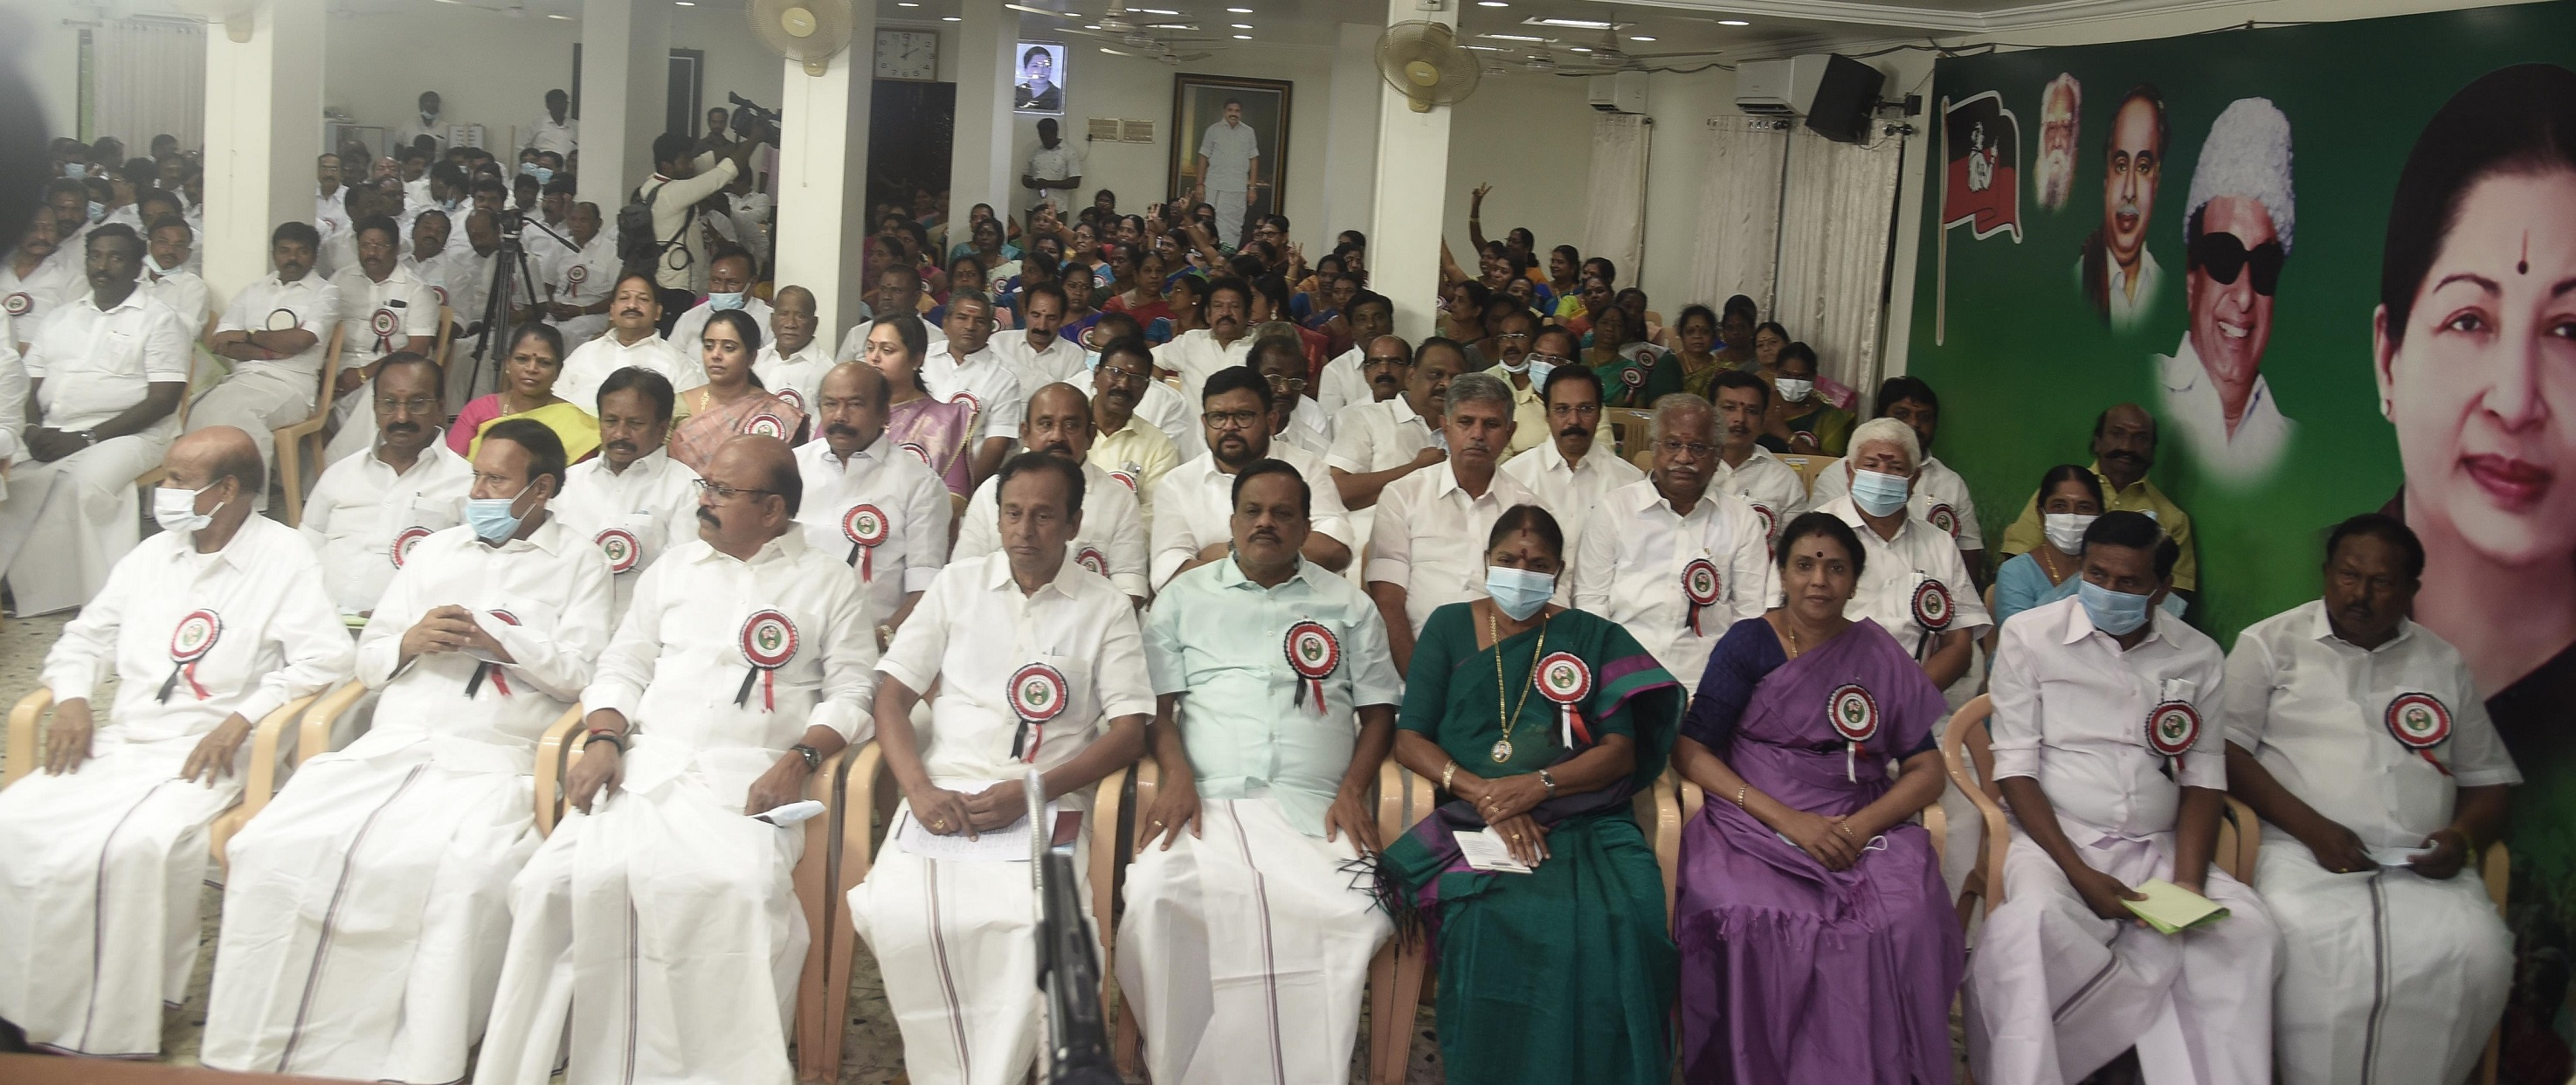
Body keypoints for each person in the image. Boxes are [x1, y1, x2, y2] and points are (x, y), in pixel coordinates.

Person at [200, 418, 611, 1081]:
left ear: (540, 489)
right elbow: (365, 662)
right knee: (270, 846)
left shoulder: (580, 561)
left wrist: (506, 642)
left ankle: (414, 1057)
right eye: (475, 475)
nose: (476, 490)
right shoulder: (436, 551)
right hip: (393, 745)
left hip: (493, 758)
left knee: (461, 876)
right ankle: (260, 1045)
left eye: (495, 480)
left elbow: (584, 674)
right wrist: (409, 641)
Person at [473, 436, 874, 1085]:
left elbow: (854, 689)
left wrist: (799, 758)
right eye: (704, 487)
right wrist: (603, 738)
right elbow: (623, 664)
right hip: (648, 768)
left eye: (721, 491)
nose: (704, 502)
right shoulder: (675, 568)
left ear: (772, 510)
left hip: (751, 782)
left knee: (738, 894)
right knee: (551, 885)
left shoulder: (826, 582)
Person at [0, 426, 353, 1058]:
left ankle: (104, 1025)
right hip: (125, 740)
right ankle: (19, 1006)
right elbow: (85, 637)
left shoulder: (284, 555)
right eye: (165, 476)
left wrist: (244, 716)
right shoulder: (150, 555)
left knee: (131, 846)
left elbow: (326, 655)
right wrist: (75, 696)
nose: (162, 492)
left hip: (210, 754)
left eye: (177, 481)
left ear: (228, 491)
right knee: (14, 822)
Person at [847, 453, 1155, 1085]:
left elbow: (1129, 732)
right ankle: (948, 1065)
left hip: (1049, 801)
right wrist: (919, 788)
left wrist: (1034, 790)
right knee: (897, 912)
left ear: (1073, 524)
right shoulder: (956, 587)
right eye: (1012, 513)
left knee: (1029, 927)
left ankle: (988, 1072)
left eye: (1044, 516)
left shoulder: (1105, 606)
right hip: (945, 793)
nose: (1024, 530)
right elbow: (891, 697)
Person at [1967, 510, 2279, 1085]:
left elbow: (2203, 779)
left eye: (2127, 582)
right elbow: (2013, 770)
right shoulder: (2029, 636)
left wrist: (2186, 884)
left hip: (2157, 846)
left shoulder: (2198, 655)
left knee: (2244, 931)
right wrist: (2078, 874)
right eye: (2095, 574)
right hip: (2056, 838)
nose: (2106, 590)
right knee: (2032, 924)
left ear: (2162, 588)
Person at [1380, 505, 1684, 1085]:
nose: (1521, 571)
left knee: (1621, 916)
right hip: (1475, 818)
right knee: (1488, 919)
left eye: (1536, 563)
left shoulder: (1589, 638)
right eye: (1508, 560)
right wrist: (1489, 797)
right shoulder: (1447, 626)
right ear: (1486, 562)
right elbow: (1409, 737)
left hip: (1584, 817)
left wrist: (1537, 786)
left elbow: (1618, 751)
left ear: (1558, 571)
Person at [1120, 459, 1399, 1081]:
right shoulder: (1183, 598)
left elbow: (1380, 712)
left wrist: (1353, 790)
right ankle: (1185, 1066)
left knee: (1358, 912)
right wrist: (1177, 777)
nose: (1265, 523)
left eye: (1282, 513)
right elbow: (1157, 710)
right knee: (1154, 895)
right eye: (1253, 511)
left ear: (1306, 528)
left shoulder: (1347, 604)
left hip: (1314, 807)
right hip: (1207, 802)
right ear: (1231, 521)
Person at [2220, 515, 2516, 1084]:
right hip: (2299, 854)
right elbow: (2225, 754)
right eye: (2347, 575)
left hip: (2419, 863)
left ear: (2410, 591)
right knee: (2313, 948)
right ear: (2325, 573)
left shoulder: (2441, 662)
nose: (2358, 594)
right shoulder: (2268, 644)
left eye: (2380, 582)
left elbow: (2489, 783)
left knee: (2476, 952)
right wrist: (2313, 831)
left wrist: (2460, 837)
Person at [1670, 512, 1961, 1082]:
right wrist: (1787, 822)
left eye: (1834, 568)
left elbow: (1925, 769)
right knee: (1737, 908)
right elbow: (1691, 751)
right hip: (1753, 817)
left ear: (1854, 580)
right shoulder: (1749, 642)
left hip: (1861, 820)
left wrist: (1860, 828)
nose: (1818, 581)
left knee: (1904, 914)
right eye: (1804, 565)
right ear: (1782, 572)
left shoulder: (1878, 655)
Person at [2372, 63, 2576, 751]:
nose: (2515, 403)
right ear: (2386, 358)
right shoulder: (2300, 634)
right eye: (2468, 320)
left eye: (2569, 331)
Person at [0, 224, 190, 615]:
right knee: (11, 484)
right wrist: (33, 430)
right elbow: (28, 387)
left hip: (135, 434)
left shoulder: (159, 319)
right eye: (96, 256)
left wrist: (85, 438)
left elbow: (163, 401)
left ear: (138, 264)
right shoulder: (61, 317)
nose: (103, 265)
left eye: (116, 257)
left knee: (84, 486)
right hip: (53, 429)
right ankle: (16, 577)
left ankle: (63, 593)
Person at [1574, 393, 1774, 689]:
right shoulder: (1615, 509)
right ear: (1654, 447)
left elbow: (1749, 615)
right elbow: (1591, 602)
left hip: (1707, 680)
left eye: (1697, 447)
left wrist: (1724, 688)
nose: (1684, 458)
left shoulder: (1741, 519)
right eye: (1672, 445)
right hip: (1623, 676)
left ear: (1717, 454)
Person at [2157, 97, 2297, 483]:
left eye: (2265, 266)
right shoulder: (2140, 401)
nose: (2245, 296)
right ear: (2191, 280)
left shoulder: (2290, 446)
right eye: (2224, 258)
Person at [1367, 371, 1541, 671]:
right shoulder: (1403, 495)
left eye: (1491, 424)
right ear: (1445, 426)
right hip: (1415, 661)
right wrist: (1420, 679)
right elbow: (1388, 601)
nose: (1477, 434)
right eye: (1465, 422)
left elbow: (1534, 605)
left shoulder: (1526, 508)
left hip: (1500, 669)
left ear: (1510, 432)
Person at [1815, 418, 1991, 696]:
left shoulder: (1939, 543)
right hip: (1825, 693)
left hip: (1915, 698)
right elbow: (1784, 623)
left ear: (1915, 479)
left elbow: (1958, 643)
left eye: (1896, 467)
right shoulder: (1813, 532)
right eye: (1871, 465)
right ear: (1849, 473)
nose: (1882, 475)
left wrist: (1906, 700)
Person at [793, 361, 953, 649]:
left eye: (855, 404)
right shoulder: (792, 467)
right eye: (830, 404)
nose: (840, 416)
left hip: (870, 647)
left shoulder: (920, 484)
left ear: (884, 412)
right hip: (786, 643)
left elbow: (926, 587)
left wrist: (883, 639)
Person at [1150, 365, 1352, 589]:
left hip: (1299, 608)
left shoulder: (1307, 468)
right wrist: (1275, 558)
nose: (1229, 427)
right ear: (1204, 423)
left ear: (1271, 421)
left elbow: (1333, 551)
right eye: (1218, 417)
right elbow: (1170, 576)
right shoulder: (1177, 484)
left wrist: (1228, 550)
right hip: (1214, 613)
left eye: (1243, 416)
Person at [300, 354, 472, 615]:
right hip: (322, 626)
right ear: (375, 407)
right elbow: (303, 553)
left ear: (440, 407)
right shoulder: (339, 474)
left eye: (417, 404)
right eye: (389, 403)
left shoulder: (466, 482)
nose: (401, 416)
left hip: (409, 635)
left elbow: (474, 571)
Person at [954, 384, 1150, 603]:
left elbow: (1129, 589)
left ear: (1091, 435)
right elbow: (963, 577)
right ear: (1025, 433)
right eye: (1045, 424)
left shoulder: (1119, 500)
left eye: (1071, 426)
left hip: (1086, 629)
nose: (1057, 436)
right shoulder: (991, 491)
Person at [197, 221, 341, 491]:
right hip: (243, 379)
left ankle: (248, 501)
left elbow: (302, 341)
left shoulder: (326, 293)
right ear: (274, 253)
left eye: (302, 251)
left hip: (292, 387)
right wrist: (274, 348)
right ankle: (207, 493)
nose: (293, 258)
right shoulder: (253, 290)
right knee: (200, 411)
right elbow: (223, 342)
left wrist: (248, 336)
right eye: (285, 251)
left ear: (314, 255)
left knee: (241, 414)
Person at [1999, 403, 2201, 596]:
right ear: (2098, 442)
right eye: (2117, 434)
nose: (2127, 446)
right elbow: (2016, 557)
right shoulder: (2059, 492)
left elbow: (2175, 596)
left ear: (2152, 450)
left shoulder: (2173, 519)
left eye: (2140, 438)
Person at [549, 366, 700, 624]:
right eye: (610, 421)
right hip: (561, 622)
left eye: (635, 424)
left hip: (639, 629)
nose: (620, 434)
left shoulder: (688, 489)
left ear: (663, 428)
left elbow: (681, 576)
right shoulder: (568, 482)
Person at [1810, 377, 1986, 575]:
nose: (1913, 424)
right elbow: (1814, 541)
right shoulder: (1839, 473)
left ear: (1915, 479)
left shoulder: (1951, 483)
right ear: (1880, 416)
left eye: (1924, 417)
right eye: (1902, 414)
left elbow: (1969, 555)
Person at [1991, 464, 2186, 629]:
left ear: (2101, 516)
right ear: (2042, 515)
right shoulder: (2016, 572)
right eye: (2059, 506)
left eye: (2084, 507)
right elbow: (2018, 638)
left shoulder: (2120, 570)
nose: (2072, 517)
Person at [322, 215, 443, 463]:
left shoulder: (415, 289)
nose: (372, 252)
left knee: (379, 396)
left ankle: (349, 472)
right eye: (366, 245)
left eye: (380, 246)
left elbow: (418, 349)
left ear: (396, 249)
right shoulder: (340, 280)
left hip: (390, 367)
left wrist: (363, 374)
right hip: (338, 364)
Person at [1503, 364, 1643, 556]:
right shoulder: (1514, 476)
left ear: (1600, 414)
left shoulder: (1630, 482)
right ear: (1547, 414)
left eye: (1585, 409)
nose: (1574, 420)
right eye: (1562, 409)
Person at [2076, 85, 2170, 333]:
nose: (2129, 190)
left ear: (2156, 183)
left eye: (2142, 167)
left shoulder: (2170, 294)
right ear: (2106, 179)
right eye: (2120, 165)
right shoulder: (2076, 282)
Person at [668, 310, 805, 472]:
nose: (716, 355)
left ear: (752, 357)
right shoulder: (678, 406)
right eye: (709, 347)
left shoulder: (776, 413)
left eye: (728, 348)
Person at [860, 314, 979, 498]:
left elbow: (955, 498)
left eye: (887, 350)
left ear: (916, 359)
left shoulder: (946, 420)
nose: (874, 357)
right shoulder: (848, 410)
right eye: (870, 348)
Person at [1327, 335, 1452, 510]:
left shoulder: (1469, 429)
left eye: (1455, 377)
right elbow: (1338, 490)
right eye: (1436, 374)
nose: (1446, 383)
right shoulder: (1364, 418)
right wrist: (1415, 468)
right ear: (1412, 375)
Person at [555, 270, 706, 415]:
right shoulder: (584, 353)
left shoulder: (680, 365)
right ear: (612, 311)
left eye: (643, 299)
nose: (632, 305)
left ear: (658, 312)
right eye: (624, 298)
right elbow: (555, 403)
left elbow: (692, 420)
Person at [447, 322, 597, 462]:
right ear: (508, 364)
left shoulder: (574, 422)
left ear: (558, 370)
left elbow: (580, 482)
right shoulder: (478, 410)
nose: (531, 369)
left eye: (544, 363)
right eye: (522, 359)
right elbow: (451, 466)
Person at [640, 134, 755, 310]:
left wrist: (741, 143)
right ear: (667, 166)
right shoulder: (672, 192)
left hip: (672, 282)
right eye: (686, 161)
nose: (692, 166)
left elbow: (710, 159)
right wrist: (756, 138)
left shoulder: (652, 184)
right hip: (676, 287)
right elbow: (723, 174)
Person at [1079, 328, 1184, 516]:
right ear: (1096, 375)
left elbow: (1153, 516)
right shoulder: (1062, 425)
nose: (1123, 385)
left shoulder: (1159, 447)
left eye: (1136, 378)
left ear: (1145, 387)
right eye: (1117, 372)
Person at [1708, 370, 1811, 543]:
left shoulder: (1784, 480)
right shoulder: (1689, 468)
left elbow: (1794, 548)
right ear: (1710, 415)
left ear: (1763, 420)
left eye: (1752, 411)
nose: (1740, 419)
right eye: (1729, 408)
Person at [1153, 274, 1258, 406]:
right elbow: (1148, 361)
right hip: (1194, 426)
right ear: (1208, 314)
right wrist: (1159, 394)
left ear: (1248, 314)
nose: (1226, 313)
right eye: (1218, 306)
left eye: (1235, 306)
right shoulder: (1191, 341)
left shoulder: (1261, 346)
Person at [667, 248, 773, 359]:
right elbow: (671, 362)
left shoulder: (769, 321)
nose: (722, 289)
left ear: (752, 282)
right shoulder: (689, 319)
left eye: (732, 282)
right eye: (715, 280)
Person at [540, 201, 617, 345]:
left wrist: (581, 310)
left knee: (567, 333)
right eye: (573, 219)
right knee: (539, 331)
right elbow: (548, 282)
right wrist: (551, 303)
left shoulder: (611, 252)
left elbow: (616, 296)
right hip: (559, 311)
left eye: (583, 220)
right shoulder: (560, 246)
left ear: (598, 223)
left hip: (593, 314)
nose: (577, 224)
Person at [1480, 306, 1549, 460]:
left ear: (1536, 340)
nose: (1509, 344)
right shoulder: (1486, 382)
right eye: (1503, 337)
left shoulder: (1548, 378)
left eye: (1519, 336)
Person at [1249, 327, 1331, 455]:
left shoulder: (1316, 450)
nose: (1285, 390)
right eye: (1274, 379)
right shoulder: (1227, 432)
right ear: (1251, 377)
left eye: (1295, 381)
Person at [988, 280, 1084, 390]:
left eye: (1051, 318)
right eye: (1035, 315)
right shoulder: (998, 343)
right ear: (1025, 312)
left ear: (1062, 318)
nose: (1042, 326)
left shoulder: (1075, 357)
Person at [753, 284, 832, 415]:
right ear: (772, 320)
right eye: (783, 314)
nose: (790, 324)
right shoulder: (754, 361)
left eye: (800, 316)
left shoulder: (827, 373)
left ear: (814, 324)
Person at [1316, 289, 1394, 420]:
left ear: (1391, 325)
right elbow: (1330, 424)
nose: (1371, 325)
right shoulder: (1336, 370)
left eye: (1378, 317)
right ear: (1351, 329)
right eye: (1362, 319)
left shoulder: (1408, 365)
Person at [1194, 98, 1263, 246]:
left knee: (1234, 225)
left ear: (1241, 113)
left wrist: (1252, 188)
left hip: (1238, 187)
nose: (1234, 114)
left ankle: (1227, 255)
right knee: (1209, 222)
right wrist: (1200, 184)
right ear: (1224, 112)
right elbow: (1203, 157)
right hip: (1214, 186)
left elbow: (1254, 160)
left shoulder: (1248, 132)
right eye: (1230, 110)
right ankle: (1207, 253)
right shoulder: (1213, 130)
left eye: (1237, 111)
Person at [1765, 342, 1853, 457]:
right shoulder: (1761, 405)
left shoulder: (1828, 416)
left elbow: (1832, 463)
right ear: (1776, 373)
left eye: (1802, 377)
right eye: (1786, 375)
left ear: (1813, 377)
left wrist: (1787, 435)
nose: (1794, 383)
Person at [141, 213, 208, 330]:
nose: (170, 250)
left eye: (180, 245)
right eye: (163, 242)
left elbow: (187, 331)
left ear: (188, 253)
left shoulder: (193, 287)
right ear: (149, 245)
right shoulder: (132, 278)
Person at [1021, 114, 1081, 211]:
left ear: (1055, 133)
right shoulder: (1035, 152)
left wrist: (1048, 183)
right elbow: (1025, 177)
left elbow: (1075, 182)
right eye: (1041, 135)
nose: (1044, 139)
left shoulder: (1069, 152)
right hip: (1033, 207)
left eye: (1047, 136)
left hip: (1057, 208)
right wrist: (1031, 182)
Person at [521, 87, 577, 160]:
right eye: (557, 103)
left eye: (564, 103)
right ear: (548, 105)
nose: (561, 107)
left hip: (568, 169)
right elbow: (523, 148)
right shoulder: (537, 123)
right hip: (543, 167)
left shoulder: (577, 126)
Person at [394, 90, 446, 155]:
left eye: (435, 102)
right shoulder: (406, 126)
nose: (432, 105)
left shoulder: (445, 128)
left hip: (437, 165)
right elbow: (398, 147)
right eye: (428, 102)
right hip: (411, 164)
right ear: (421, 105)